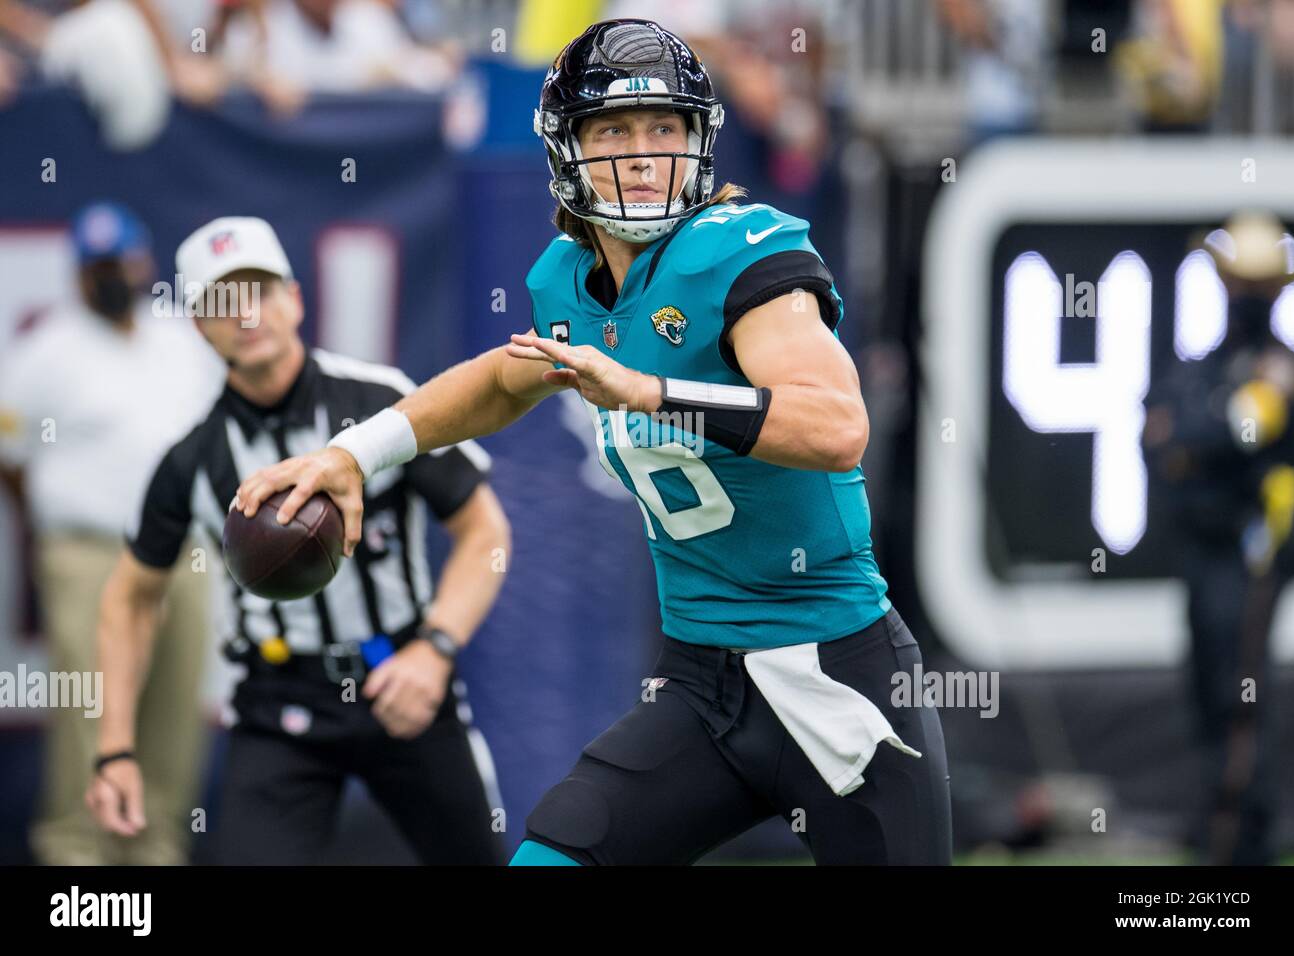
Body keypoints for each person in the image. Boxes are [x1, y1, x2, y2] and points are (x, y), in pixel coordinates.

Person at [233, 19, 953, 865]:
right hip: (702, 687)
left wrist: (649, 391)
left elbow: (837, 428)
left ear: (699, 143)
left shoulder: (740, 255)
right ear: (567, 151)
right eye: (614, 129)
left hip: (838, 677)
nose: (644, 153)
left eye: (665, 128)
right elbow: (502, 382)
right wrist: (355, 453)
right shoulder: (564, 282)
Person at [86, 216, 511, 865]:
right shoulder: (192, 460)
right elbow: (129, 600)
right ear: (198, 323)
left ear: (295, 298)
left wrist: (436, 648)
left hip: (402, 677)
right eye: (221, 299)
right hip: (278, 699)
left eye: (258, 289)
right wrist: (114, 748)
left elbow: (485, 531)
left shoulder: (381, 405)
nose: (245, 313)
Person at [0, 201, 224, 864]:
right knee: (91, 713)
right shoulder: (47, 349)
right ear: (78, 274)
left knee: (175, 708)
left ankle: (155, 854)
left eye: (121, 261)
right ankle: (76, 855)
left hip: (181, 552)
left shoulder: (181, 339)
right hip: (90, 552)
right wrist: (57, 522)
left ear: (144, 262)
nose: (113, 276)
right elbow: (11, 458)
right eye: (98, 266)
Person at [1143, 210, 1294, 865]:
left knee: (1242, 691)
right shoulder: (1201, 368)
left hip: (1253, 554)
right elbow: (1162, 441)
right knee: (1206, 685)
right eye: (1240, 282)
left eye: (1261, 285)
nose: (1249, 297)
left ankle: (1243, 832)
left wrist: (1232, 430)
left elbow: (1249, 442)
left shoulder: (1287, 371)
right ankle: (1215, 817)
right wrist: (1231, 418)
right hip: (1200, 550)